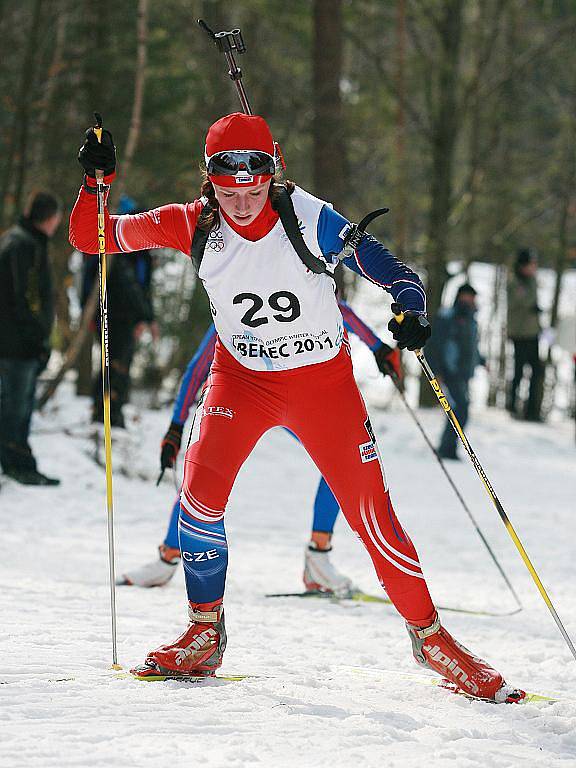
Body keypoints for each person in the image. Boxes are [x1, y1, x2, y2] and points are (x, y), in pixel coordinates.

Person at [70, 113, 524, 702]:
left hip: (321, 386)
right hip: (243, 381)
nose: (240, 196)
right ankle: (205, 630)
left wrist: (410, 305)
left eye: (253, 180)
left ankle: (433, 639)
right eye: (225, 183)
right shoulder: (192, 223)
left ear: (271, 167)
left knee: (372, 517)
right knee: (199, 499)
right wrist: (94, 183)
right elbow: (92, 238)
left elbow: (389, 270)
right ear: (208, 178)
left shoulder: (306, 217)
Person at [118, 303, 402, 594]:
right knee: (206, 470)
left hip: (297, 397)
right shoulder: (236, 295)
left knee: (340, 461)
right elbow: (199, 365)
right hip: (245, 397)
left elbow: (338, 307)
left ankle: (318, 558)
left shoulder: (306, 286)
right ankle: (168, 557)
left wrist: (379, 348)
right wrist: (176, 427)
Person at [0, 192, 62, 486]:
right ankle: (15, 463)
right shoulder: (22, 245)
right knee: (15, 407)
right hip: (17, 344)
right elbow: (22, 298)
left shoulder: (28, 241)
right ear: (49, 218)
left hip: (23, 342)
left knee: (20, 405)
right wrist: (38, 338)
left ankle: (19, 460)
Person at [80, 194, 158, 427]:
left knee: (117, 361)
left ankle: (111, 410)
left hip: (124, 315)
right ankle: (105, 412)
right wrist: (143, 316)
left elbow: (143, 287)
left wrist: (146, 317)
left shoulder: (139, 250)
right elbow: (131, 287)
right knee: (114, 362)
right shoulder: (120, 246)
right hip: (115, 314)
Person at [425, 284, 484, 460]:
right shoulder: (447, 317)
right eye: (467, 296)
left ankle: (448, 447)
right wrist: (437, 371)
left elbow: (472, 347)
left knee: (459, 410)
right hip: (450, 373)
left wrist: (481, 360)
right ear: (459, 297)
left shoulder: (471, 319)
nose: (470, 300)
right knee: (460, 410)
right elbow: (434, 346)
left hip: (464, 373)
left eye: (472, 297)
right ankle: (446, 449)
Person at [507, 249, 543, 422]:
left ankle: (532, 410)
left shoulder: (532, 280)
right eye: (531, 264)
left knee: (537, 371)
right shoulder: (515, 282)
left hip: (533, 332)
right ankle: (512, 405)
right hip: (520, 333)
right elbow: (520, 301)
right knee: (519, 371)